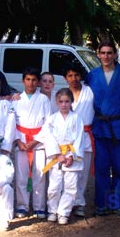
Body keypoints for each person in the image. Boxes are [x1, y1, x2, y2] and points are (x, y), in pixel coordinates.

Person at [85, 41, 120, 216]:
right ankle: (102, 204)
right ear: (98, 54)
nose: (106, 56)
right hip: (100, 127)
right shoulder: (92, 75)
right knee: (102, 168)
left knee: (119, 168)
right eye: (103, 53)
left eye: (109, 53)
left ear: (114, 55)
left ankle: (116, 203)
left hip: (119, 126)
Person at [37, 88, 84, 225]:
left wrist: (70, 156)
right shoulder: (51, 119)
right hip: (56, 156)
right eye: (61, 101)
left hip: (71, 156)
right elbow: (49, 137)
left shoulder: (76, 118)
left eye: (67, 101)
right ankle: (52, 210)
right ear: (57, 102)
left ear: (71, 102)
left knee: (70, 186)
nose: (64, 104)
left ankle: (64, 212)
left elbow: (79, 138)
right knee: (54, 186)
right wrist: (58, 154)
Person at [12, 67, 51, 219]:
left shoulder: (43, 100)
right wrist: (17, 140)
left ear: (38, 82)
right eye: (28, 79)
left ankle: (39, 207)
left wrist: (36, 140)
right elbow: (12, 122)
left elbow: (48, 123)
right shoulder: (16, 99)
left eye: (34, 80)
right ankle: (22, 206)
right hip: (21, 141)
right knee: (21, 176)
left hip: (38, 141)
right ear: (23, 81)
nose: (31, 83)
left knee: (39, 175)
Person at [62, 63, 95, 217]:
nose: (74, 79)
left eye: (76, 75)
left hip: (86, 136)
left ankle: (80, 203)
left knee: (83, 172)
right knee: (69, 172)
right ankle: (68, 202)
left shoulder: (90, 91)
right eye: (70, 76)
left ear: (81, 76)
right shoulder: (63, 95)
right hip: (68, 139)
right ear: (65, 78)